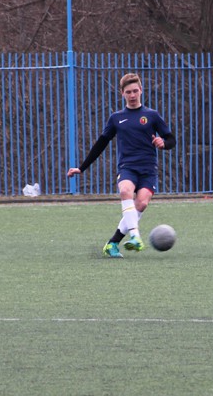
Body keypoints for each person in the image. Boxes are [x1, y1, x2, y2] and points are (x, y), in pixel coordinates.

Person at [67, 73, 176, 258]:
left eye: (135, 91)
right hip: (127, 167)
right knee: (125, 190)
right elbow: (101, 144)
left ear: (141, 90)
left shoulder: (152, 115)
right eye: (128, 92)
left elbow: (171, 139)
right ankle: (136, 237)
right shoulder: (116, 118)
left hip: (148, 169)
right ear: (122, 93)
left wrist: (163, 143)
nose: (132, 95)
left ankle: (112, 244)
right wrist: (82, 167)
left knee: (141, 203)